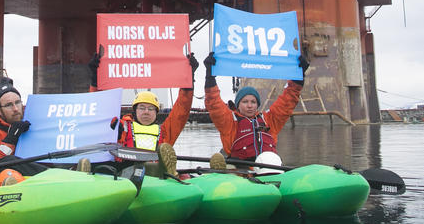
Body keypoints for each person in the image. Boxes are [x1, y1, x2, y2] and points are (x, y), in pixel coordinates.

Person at [88, 46, 198, 178]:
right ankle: (87, 168)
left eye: (151, 109)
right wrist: (96, 77)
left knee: (167, 169)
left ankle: (169, 171)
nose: (146, 112)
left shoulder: (165, 132)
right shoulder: (123, 127)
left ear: (156, 113)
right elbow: (100, 107)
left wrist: (189, 79)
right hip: (126, 172)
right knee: (104, 166)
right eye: (142, 108)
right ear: (135, 111)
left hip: (153, 174)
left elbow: (182, 110)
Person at [202, 50, 310, 168]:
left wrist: (299, 76)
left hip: (268, 168)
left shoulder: (269, 120)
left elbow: (287, 101)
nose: (249, 105)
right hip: (241, 170)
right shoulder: (229, 122)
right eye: (245, 102)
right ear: (238, 105)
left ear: (257, 105)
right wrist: (210, 75)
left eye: (253, 102)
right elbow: (214, 103)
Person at [0, 77, 55, 175]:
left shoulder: (37, 125)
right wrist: (11, 139)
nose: (16, 109)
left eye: (17, 102)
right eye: (9, 105)